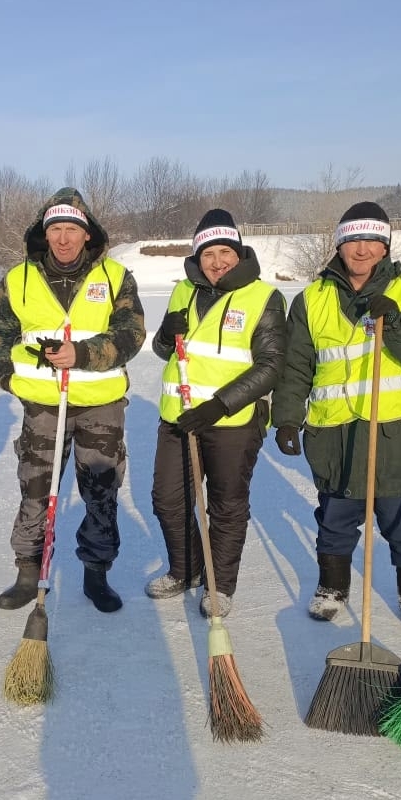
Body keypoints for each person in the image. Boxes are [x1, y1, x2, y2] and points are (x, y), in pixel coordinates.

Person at [271, 202, 401, 632]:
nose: (362, 249)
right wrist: (287, 418)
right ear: (340, 244)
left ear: (385, 245)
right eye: (353, 239)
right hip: (334, 430)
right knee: (335, 516)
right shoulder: (312, 299)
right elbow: (297, 366)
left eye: (372, 240)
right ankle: (332, 587)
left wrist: (397, 321)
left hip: (396, 429)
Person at [0, 187, 146, 614]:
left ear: (87, 235)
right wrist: (7, 377)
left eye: (71, 229)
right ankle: (27, 571)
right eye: (55, 228)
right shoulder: (18, 279)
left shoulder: (115, 277)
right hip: (41, 405)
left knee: (100, 490)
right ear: (44, 233)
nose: (63, 238)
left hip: (100, 404)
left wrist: (85, 355)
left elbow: (132, 334)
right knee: (35, 489)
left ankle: (96, 573)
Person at [146, 209, 286, 617]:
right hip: (179, 416)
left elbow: (271, 365)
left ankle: (219, 584)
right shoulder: (182, 292)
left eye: (226, 251)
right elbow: (163, 351)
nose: (217, 261)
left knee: (226, 504)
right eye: (209, 253)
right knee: (168, 499)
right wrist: (164, 336)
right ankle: (186, 568)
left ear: (239, 253)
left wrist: (219, 405)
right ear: (197, 256)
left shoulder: (263, 297)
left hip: (232, 420)